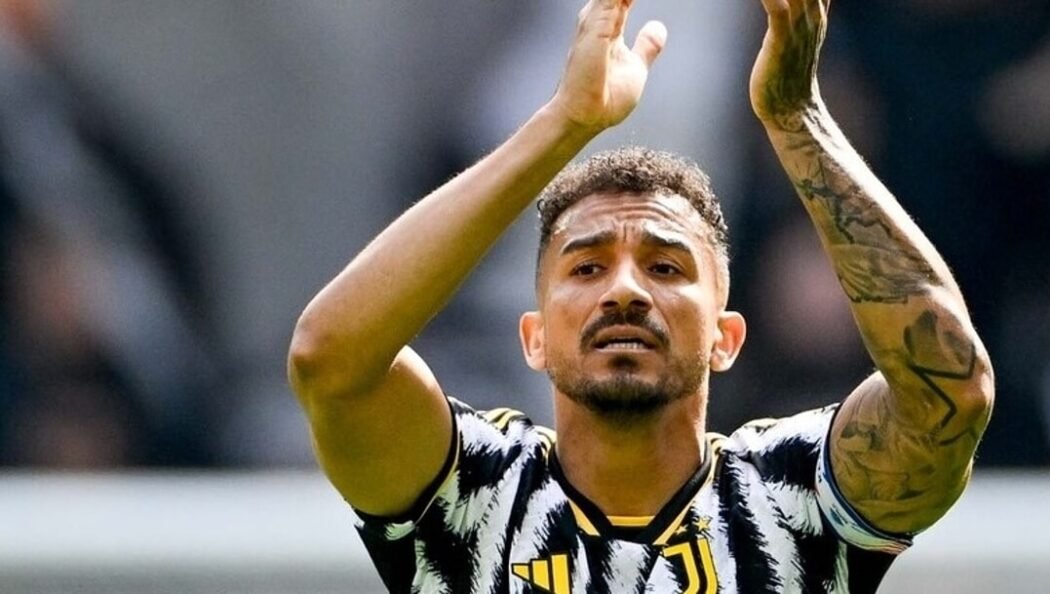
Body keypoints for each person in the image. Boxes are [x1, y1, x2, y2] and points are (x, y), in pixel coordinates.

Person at [287, 0, 994, 592]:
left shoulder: (789, 497)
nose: (624, 289)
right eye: (586, 268)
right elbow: (330, 360)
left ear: (726, 337)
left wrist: (797, 118)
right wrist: (564, 123)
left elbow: (949, 396)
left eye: (664, 267)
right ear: (534, 336)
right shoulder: (477, 493)